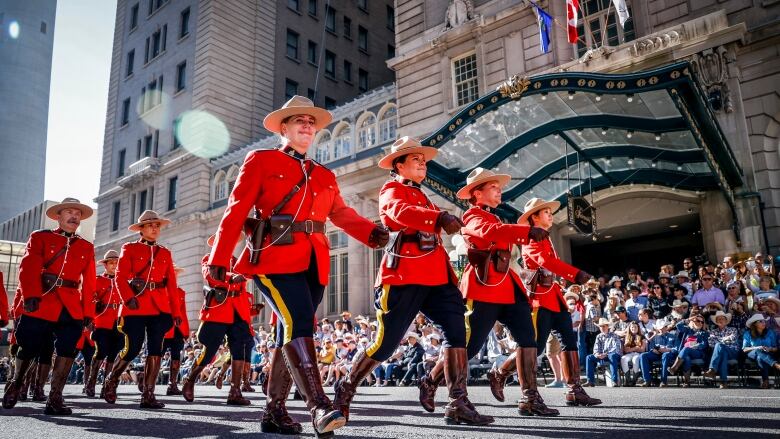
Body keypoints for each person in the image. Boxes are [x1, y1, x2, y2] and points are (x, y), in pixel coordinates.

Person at [207, 96, 388, 436]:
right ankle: (319, 406)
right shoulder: (261, 160)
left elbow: (341, 214)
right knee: (298, 321)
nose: (307, 126)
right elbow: (236, 209)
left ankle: (274, 411)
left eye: (311, 122)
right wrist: (219, 258)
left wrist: (371, 232)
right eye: (299, 121)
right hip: (274, 257)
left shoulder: (323, 174)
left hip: (314, 262)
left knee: (285, 333)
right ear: (284, 128)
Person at [334, 137, 493, 426]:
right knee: (385, 344)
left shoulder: (423, 196)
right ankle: (346, 387)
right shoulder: (391, 190)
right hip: (403, 276)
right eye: (415, 159)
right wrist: (440, 216)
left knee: (458, 332)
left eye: (424, 160)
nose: (423, 163)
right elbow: (399, 213)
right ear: (399, 165)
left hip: (438, 278)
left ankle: (457, 401)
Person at [416, 168, 557, 416]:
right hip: (484, 285)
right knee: (468, 346)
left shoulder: (494, 216)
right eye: (493, 186)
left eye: (498, 186)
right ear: (476, 193)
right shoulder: (472, 215)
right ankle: (430, 381)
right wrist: (525, 232)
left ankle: (529, 398)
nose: (499, 189)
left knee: (528, 339)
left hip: (507, 284)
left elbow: (500, 235)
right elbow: (489, 234)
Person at [2, 198, 96, 415]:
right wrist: (31, 295)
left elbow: (89, 282)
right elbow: (29, 266)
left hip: (71, 305)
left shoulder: (86, 246)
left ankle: (55, 398)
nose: (74, 217)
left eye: (78, 214)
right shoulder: (40, 237)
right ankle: (16, 383)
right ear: (58, 216)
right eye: (70, 212)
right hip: (43, 299)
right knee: (29, 346)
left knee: (68, 348)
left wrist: (88, 312)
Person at [518, 198, 599, 406]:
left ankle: (575, 390)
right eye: (545, 212)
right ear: (534, 217)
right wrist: (576, 274)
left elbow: (550, 264)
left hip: (554, 297)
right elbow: (545, 262)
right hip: (540, 299)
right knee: (534, 347)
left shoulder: (546, 237)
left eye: (549, 211)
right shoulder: (530, 238)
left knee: (569, 342)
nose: (550, 214)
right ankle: (501, 372)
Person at [102, 210, 182, 409]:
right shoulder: (129, 248)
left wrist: (176, 312)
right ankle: (112, 380)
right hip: (135, 305)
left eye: (157, 226)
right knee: (133, 347)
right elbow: (120, 277)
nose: (155, 228)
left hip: (159, 307)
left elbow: (171, 285)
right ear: (141, 229)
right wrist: (127, 299)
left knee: (156, 349)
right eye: (151, 225)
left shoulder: (165, 252)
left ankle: (148, 394)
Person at [181, 235, 253, 406]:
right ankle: (190, 380)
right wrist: (230, 277)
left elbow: (246, 280)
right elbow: (210, 275)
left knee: (239, 347)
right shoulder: (209, 258)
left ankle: (235, 391)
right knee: (211, 348)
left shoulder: (237, 261)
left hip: (238, 309)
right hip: (219, 309)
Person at [162, 266, 189, 396]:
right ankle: (147, 384)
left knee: (176, 355)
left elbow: (183, 312)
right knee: (156, 355)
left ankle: (172, 384)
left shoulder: (181, 292)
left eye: (176, 273)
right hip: (162, 328)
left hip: (177, 328)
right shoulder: (160, 290)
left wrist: (186, 331)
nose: (175, 275)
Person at [667, 316, 709, 387]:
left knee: (686, 349)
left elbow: (704, 345)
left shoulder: (704, 333)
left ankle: (674, 368)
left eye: (702, 322)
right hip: (685, 353)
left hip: (698, 352)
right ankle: (687, 381)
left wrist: (694, 346)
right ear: (693, 321)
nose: (700, 323)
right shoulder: (688, 330)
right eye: (698, 321)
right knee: (686, 358)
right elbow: (678, 325)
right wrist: (688, 319)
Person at [703, 310, 739, 388]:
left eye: (722, 318)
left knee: (719, 345)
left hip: (732, 352)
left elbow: (732, 339)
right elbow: (711, 344)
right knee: (723, 354)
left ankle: (712, 369)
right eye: (718, 319)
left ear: (726, 321)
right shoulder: (713, 332)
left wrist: (719, 341)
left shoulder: (733, 329)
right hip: (722, 352)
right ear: (716, 321)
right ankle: (723, 382)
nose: (720, 320)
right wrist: (724, 340)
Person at [742, 314, 780, 389]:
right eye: (761, 321)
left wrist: (770, 349)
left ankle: (765, 381)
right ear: (755, 324)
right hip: (752, 354)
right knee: (757, 351)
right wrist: (756, 347)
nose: (764, 323)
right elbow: (744, 349)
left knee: (760, 358)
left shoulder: (770, 332)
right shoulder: (747, 333)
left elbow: (776, 348)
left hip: (768, 353)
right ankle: (776, 365)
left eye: (764, 321)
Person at [638, 319, 678, 387]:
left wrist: (667, 350)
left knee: (665, 355)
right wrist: (654, 350)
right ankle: (647, 380)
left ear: (666, 327)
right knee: (643, 355)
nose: (661, 330)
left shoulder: (673, 336)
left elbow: (676, 350)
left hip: (667, 354)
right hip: (657, 354)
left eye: (663, 327)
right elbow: (651, 348)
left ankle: (663, 381)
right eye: (660, 328)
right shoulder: (655, 337)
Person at [584, 318, 622, 387]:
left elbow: (616, 348)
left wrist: (606, 354)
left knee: (612, 356)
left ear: (608, 326)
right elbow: (595, 348)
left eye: (604, 326)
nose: (602, 328)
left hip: (612, 355)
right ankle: (590, 381)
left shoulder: (614, 335)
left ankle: (614, 381)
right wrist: (597, 354)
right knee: (589, 357)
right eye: (601, 326)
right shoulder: (599, 336)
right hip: (602, 356)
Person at [621, 321, 646, 386]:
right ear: (629, 328)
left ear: (638, 328)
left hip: (637, 354)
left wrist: (632, 349)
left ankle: (634, 380)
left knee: (635, 359)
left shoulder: (642, 337)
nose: (633, 328)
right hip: (629, 354)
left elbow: (642, 350)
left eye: (635, 327)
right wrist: (635, 348)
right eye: (632, 327)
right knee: (623, 359)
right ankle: (628, 380)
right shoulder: (627, 337)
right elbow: (626, 350)